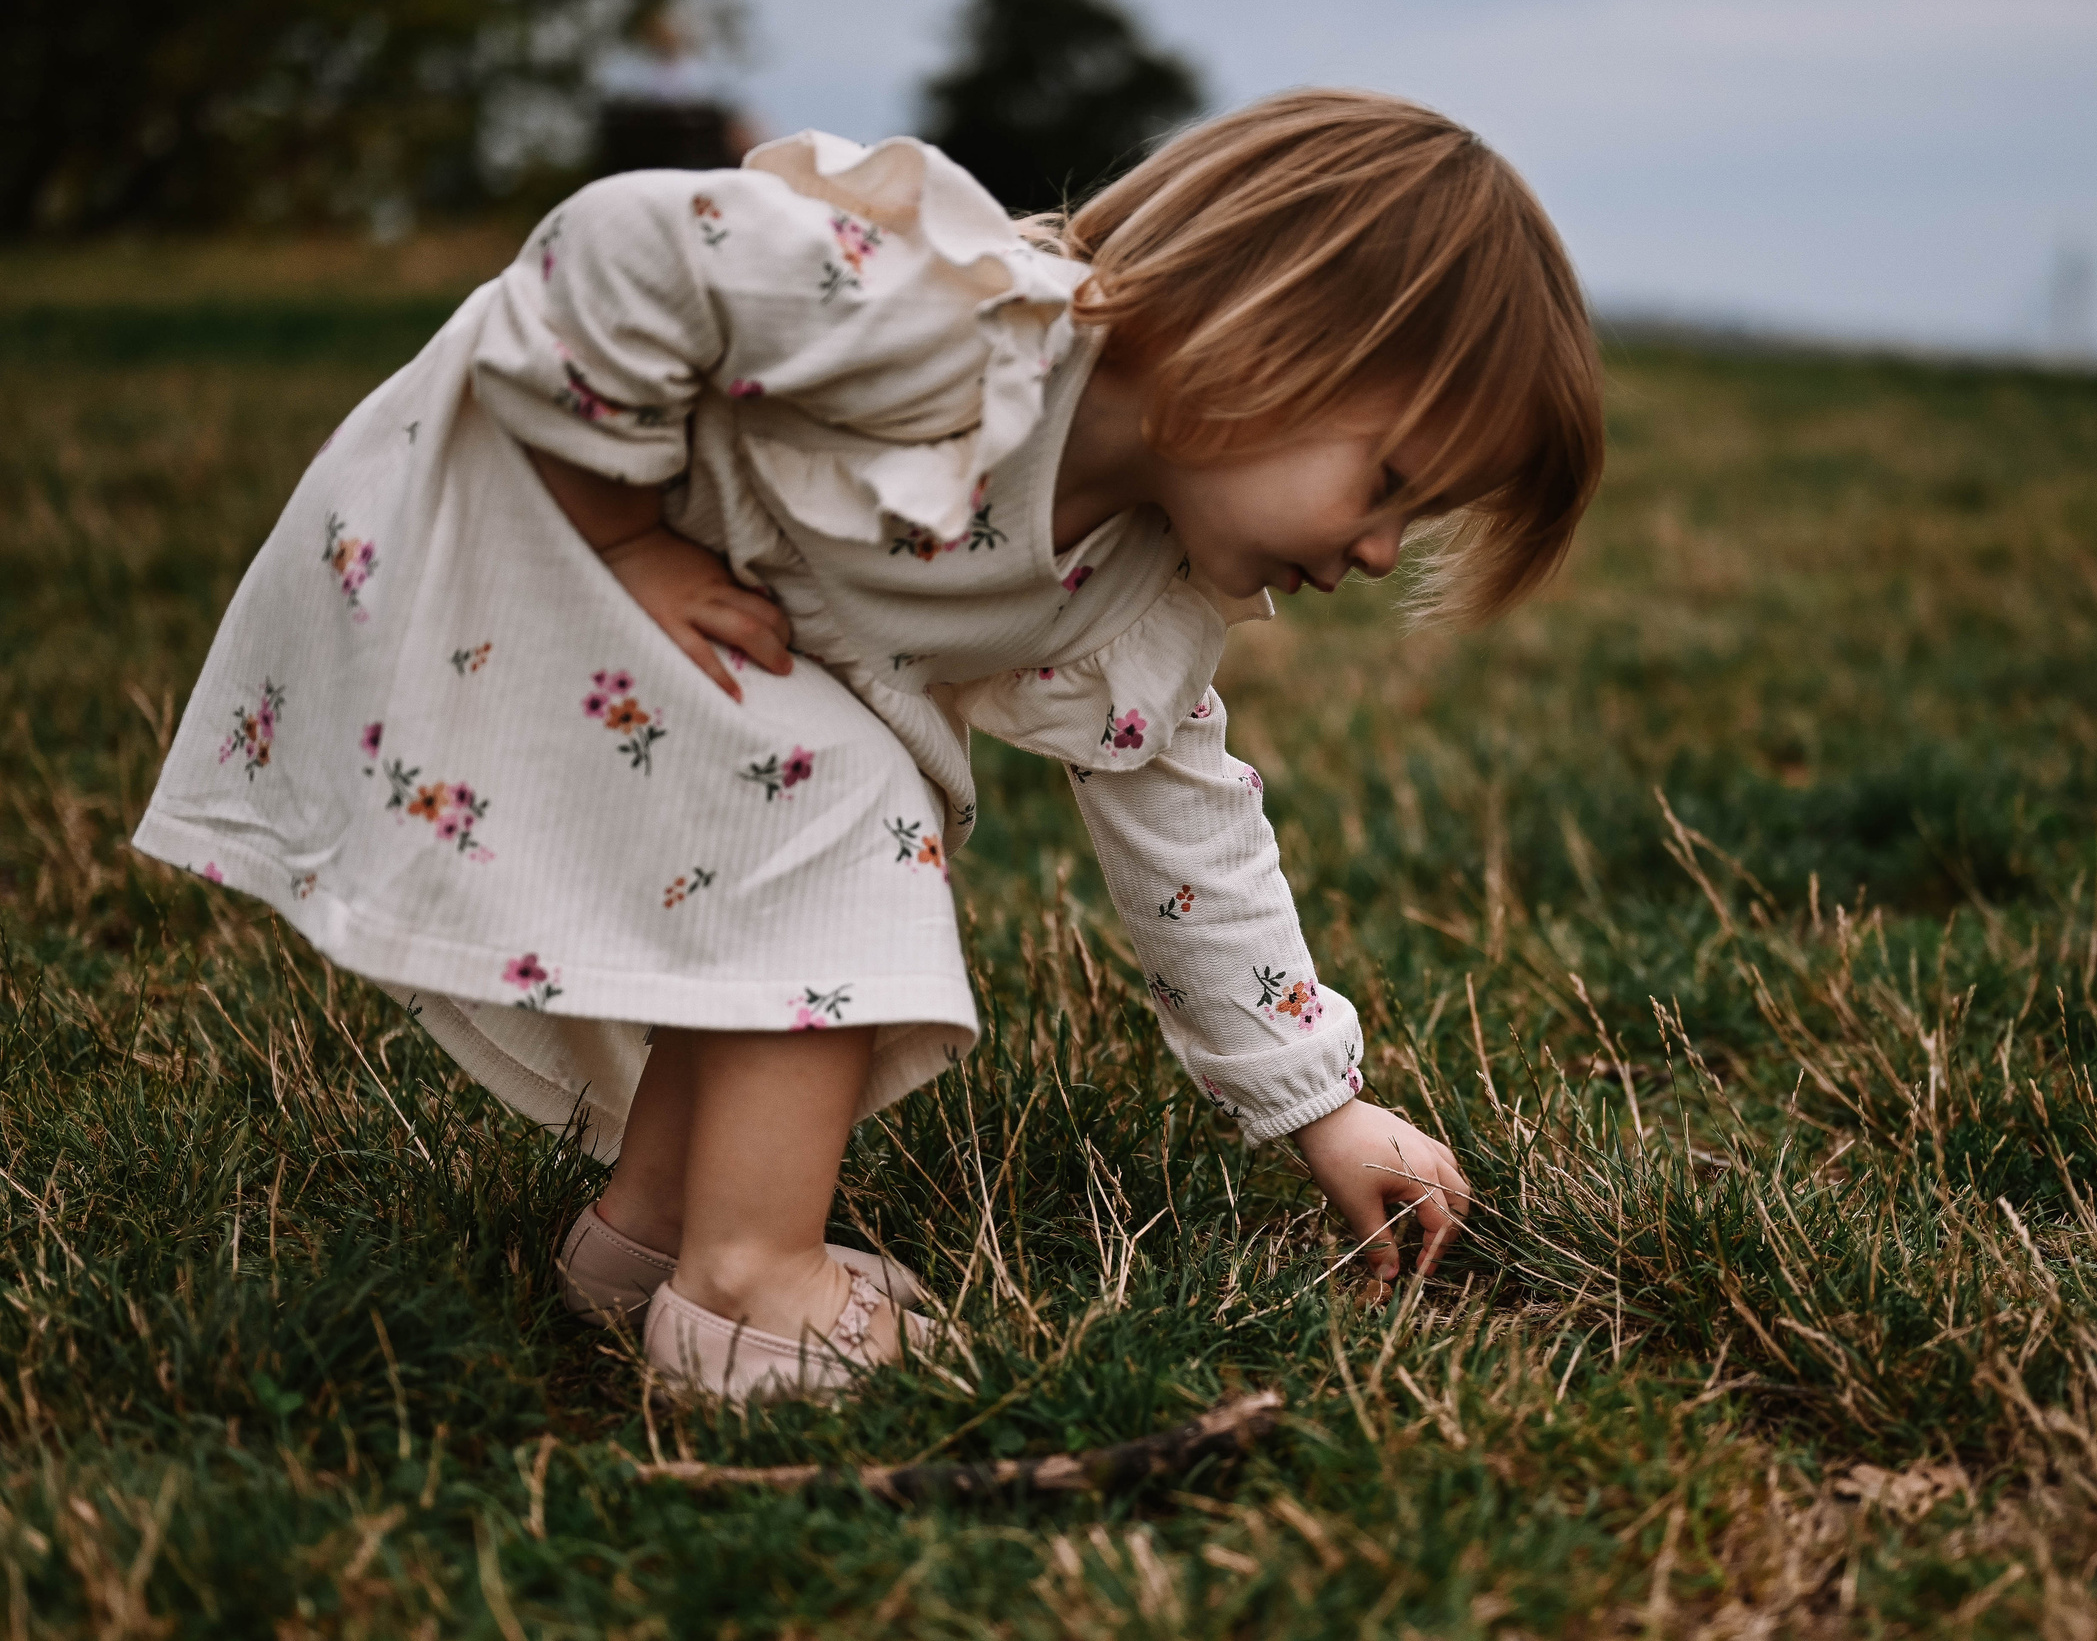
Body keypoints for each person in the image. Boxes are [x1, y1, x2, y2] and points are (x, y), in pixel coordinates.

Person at [133, 88, 1604, 1400]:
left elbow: (1194, 837)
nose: (1380, 550)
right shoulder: (951, 326)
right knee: (844, 796)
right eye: (1388, 481)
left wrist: (1322, 1106)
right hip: (515, 527)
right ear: (1255, 339)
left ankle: (645, 1242)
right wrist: (629, 530)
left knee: (823, 803)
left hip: (660, 649)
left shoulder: (1140, 589)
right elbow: (615, 249)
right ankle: (750, 1287)